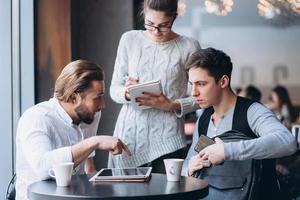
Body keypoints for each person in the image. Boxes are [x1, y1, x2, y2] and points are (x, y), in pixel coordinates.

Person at [182, 48, 297, 199]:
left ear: (223, 81)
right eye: (192, 84)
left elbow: (287, 142)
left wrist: (227, 151)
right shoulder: (204, 120)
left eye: (201, 84)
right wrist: (190, 168)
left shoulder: (252, 112)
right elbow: (187, 166)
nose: (193, 92)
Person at [16, 60, 131, 200]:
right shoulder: (37, 118)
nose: (102, 105)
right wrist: (95, 141)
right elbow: (43, 168)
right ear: (74, 97)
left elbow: (88, 166)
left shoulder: (91, 114)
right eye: (97, 98)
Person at [109, 0, 201, 172]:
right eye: (150, 24)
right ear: (144, 14)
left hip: (169, 140)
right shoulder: (129, 40)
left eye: (163, 25)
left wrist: (172, 105)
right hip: (130, 137)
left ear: (174, 17)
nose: (156, 31)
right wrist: (127, 93)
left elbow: (203, 96)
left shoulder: (189, 46)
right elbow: (114, 89)